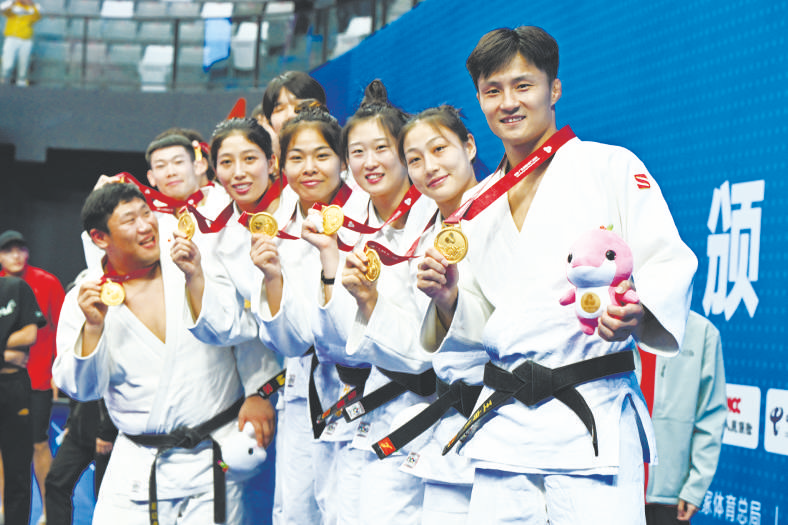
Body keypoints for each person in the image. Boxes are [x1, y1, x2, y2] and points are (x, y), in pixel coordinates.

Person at [417, 26, 697, 524]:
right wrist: (449, 297)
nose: (508, 102)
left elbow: (667, 261)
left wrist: (637, 312)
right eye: (492, 90)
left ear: (555, 89)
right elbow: (484, 320)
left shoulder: (609, 166)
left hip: (590, 413)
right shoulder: (475, 204)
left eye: (523, 85)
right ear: (479, 99)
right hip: (504, 424)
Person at [53, 182, 275, 524]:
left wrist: (259, 390)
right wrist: (93, 329)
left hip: (213, 457)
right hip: (138, 465)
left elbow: (243, 331)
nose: (146, 225)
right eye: (130, 220)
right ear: (100, 238)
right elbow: (82, 389)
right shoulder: (85, 298)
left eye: (147, 213)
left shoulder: (191, 263)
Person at [306, 80, 436, 524]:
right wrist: (329, 257)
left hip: (423, 406)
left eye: (381, 148)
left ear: (404, 152)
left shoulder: (435, 217)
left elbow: (423, 346)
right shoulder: (345, 227)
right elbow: (334, 343)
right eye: (357, 152)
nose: (370, 162)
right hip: (367, 406)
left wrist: (369, 300)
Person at [0, 229, 65, 525]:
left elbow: (62, 327)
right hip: (5, 379)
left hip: (37, 378)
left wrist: (58, 371)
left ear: (27, 252)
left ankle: (49, 510)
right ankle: (5, 506)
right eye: (8, 250)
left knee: (39, 443)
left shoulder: (46, 282)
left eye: (20, 249)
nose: (16, 255)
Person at [640, 311, 727, 524]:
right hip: (613, 487)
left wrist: (695, 488)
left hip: (668, 498)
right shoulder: (613, 324)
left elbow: (710, 416)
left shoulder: (702, 332)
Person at [0, 273, 45, 525]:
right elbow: (17, 343)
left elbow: (29, 335)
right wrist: (5, 354)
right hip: (10, 370)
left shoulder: (16, 288)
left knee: (18, 469)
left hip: (13, 387)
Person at [44, 398, 117, 525]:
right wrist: (71, 421)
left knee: (106, 496)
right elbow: (79, 390)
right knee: (56, 481)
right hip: (79, 426)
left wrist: (108, 431)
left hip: (109, 433)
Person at [0, 0, 40, 86]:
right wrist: (13, 3)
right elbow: (2, 10)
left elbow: (37, 17)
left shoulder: (35, 7)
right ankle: (3, 85)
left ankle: (22, 87)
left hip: (26, 40)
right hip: (11, 38)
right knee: (7, 65)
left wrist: (31, 6)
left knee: (23, 66)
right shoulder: (12, 4)